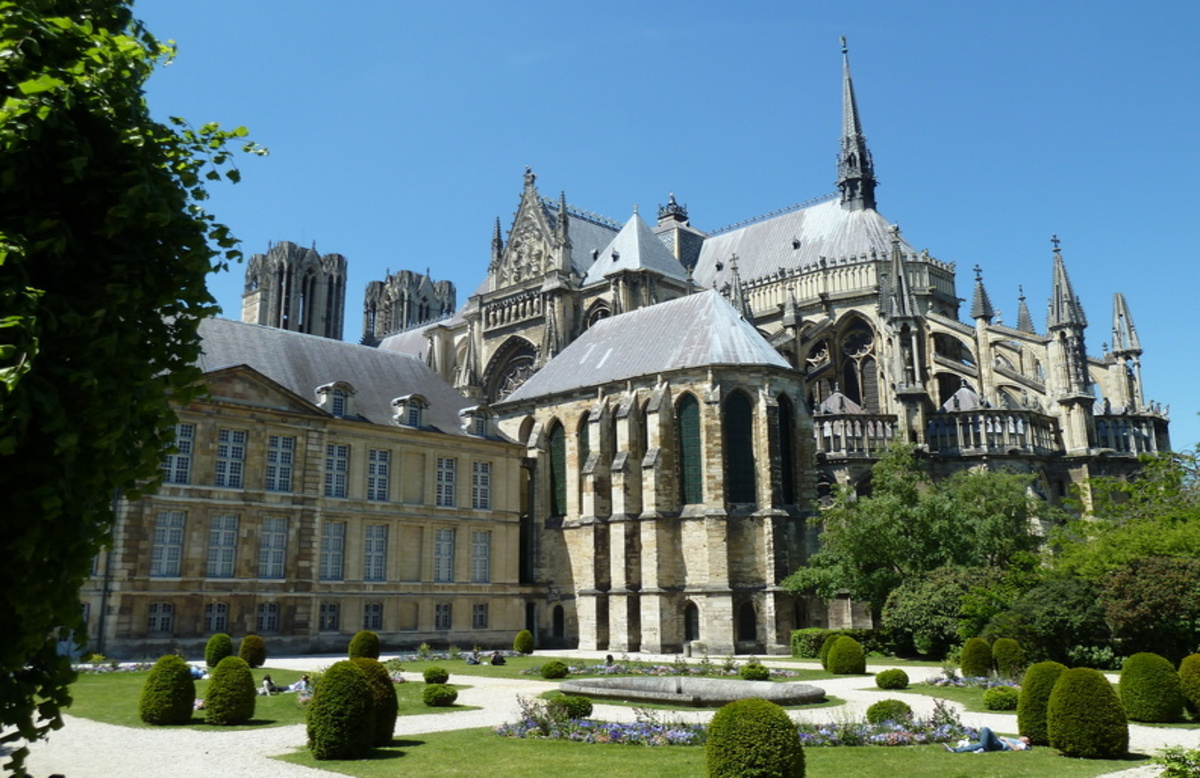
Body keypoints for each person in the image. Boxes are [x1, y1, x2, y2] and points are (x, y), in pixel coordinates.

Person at [946, 727, 1031, 753]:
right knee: (980, 744)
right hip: (996, 743)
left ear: (1027, 742)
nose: (1022, 737)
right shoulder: (1017, 740)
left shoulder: (1022, 744)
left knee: (986, 729)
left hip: (999, 745)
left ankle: (983, 748)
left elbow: (1016, 749)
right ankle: (955, 750)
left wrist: (1005, 739)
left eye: (1024, 737)